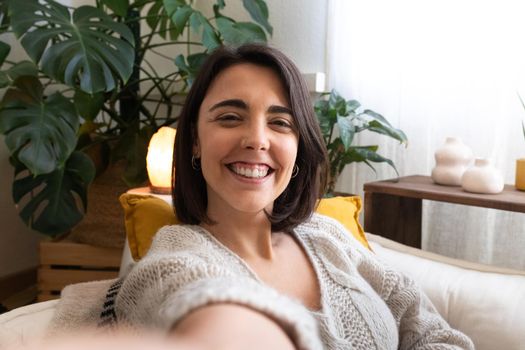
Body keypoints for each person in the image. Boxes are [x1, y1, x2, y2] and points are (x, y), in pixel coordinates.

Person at [108, 44, 474, 349]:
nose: (257, 139)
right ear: (194, 142)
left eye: (280, 122)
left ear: (299, 147)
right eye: (231, 117)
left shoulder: (327, 236)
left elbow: (434, 333)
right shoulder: (173, 263)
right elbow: (203, 313)